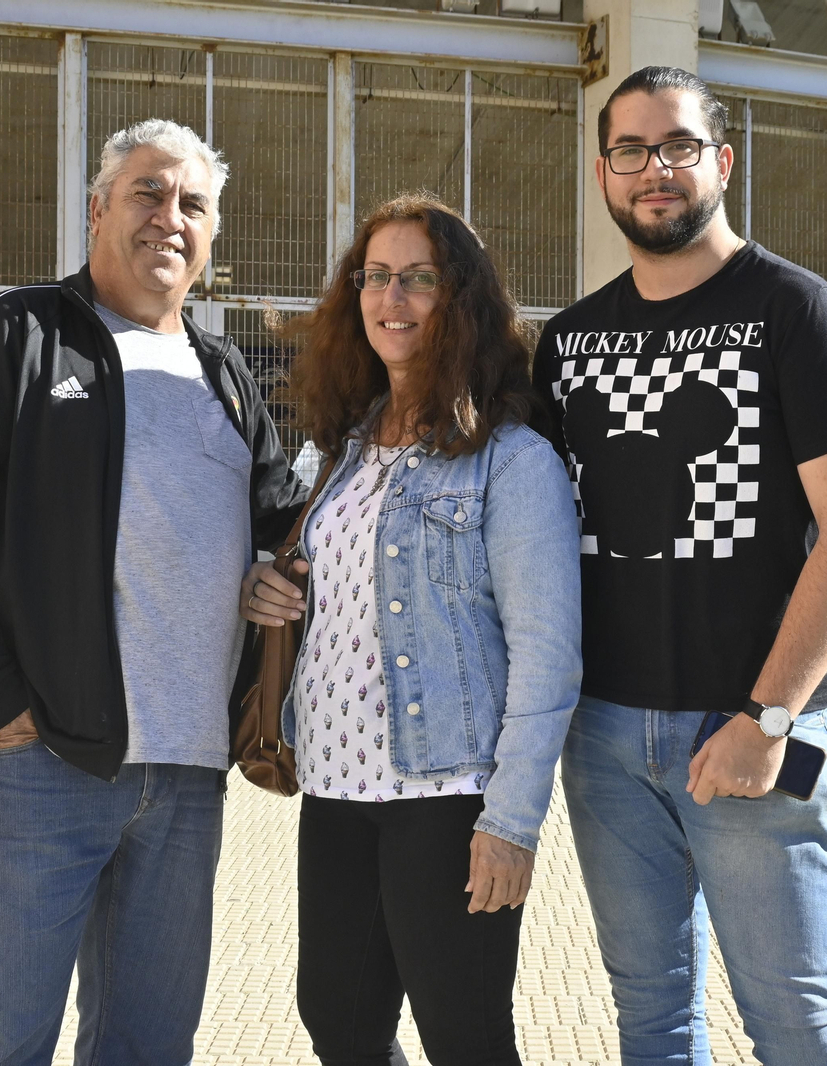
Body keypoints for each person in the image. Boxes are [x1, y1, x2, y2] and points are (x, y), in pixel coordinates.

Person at [0, 119, 306, 1066]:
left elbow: (284, 527)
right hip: (45, 761)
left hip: (190, 774)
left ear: (211, 236)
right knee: (0, 1037)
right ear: (97, 209)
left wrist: (276, 581)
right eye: (148, 194)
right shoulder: (22, 333)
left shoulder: (226, 374)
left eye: (192, 204)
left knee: (149, 1045)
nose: (171, 217)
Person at [532, 67, 827, 1065]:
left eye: (678, 146)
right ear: (604, 173)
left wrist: (767, 717)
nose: (655, 169)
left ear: (721, 161)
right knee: (649, 1013)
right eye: (631, 150)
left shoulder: (793, 309)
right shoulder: (567, 345)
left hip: (748, 731)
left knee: (795, 1018)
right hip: (601, 736)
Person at [242, 194, 583, 1066]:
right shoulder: (346, 453)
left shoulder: (515, 461)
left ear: (458, 299)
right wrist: (273, 591)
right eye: (376, 277)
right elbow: (344, 593)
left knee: (464, 1038)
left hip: (449, 797)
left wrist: (510, 823)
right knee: (339, 1023)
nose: (392, 297)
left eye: (418, 279)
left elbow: (548, 653)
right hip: (337, 788)